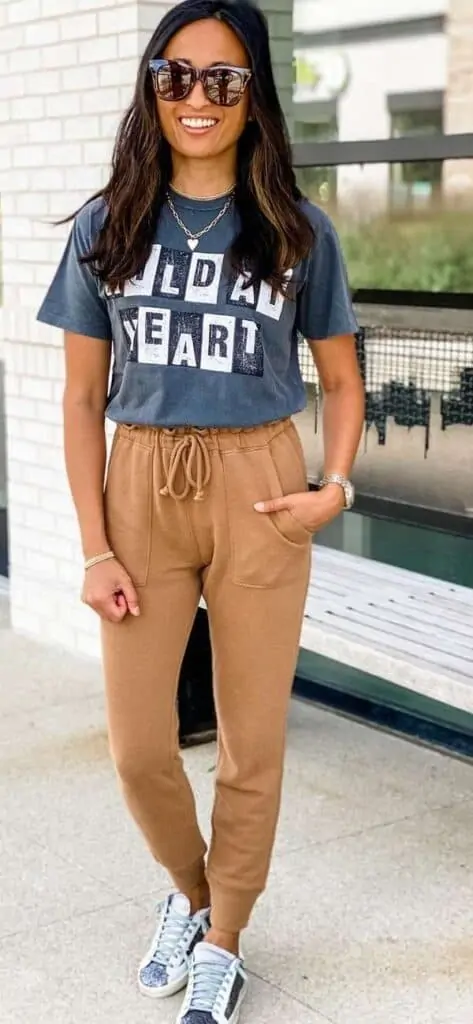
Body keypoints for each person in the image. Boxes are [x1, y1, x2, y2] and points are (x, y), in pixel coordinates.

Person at [37, 1, 364, 1020]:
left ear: (253, 94)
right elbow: (83, 397)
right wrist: (95, 547)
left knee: (249, 739)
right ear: (150, 86)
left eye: (222, 80)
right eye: (174, 75)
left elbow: (343, 382)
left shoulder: (296, 232)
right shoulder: (109, 224)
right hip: (141, 485)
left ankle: (225, 933)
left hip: (260, 483)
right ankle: (191, 891)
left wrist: (332, 488)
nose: (195, 97)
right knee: (139, 748)